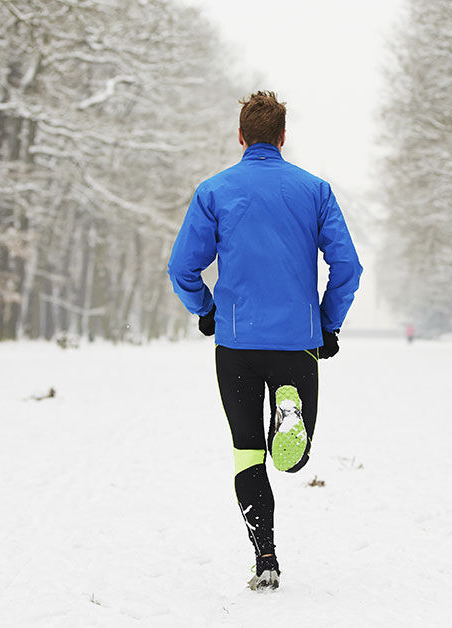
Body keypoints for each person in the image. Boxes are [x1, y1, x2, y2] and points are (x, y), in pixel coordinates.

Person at [167, 91, 362, 591]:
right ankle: (290, 413)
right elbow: (346, 265)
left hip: (236, 344)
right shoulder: (314, 190)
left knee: (246, 453)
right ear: (281, 137)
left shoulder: (215, 191)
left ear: (240, 136)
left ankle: (266, 558)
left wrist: (206, 310)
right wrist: (327, 322)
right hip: (297, 342)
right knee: (291, 458)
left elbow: (182, 267)